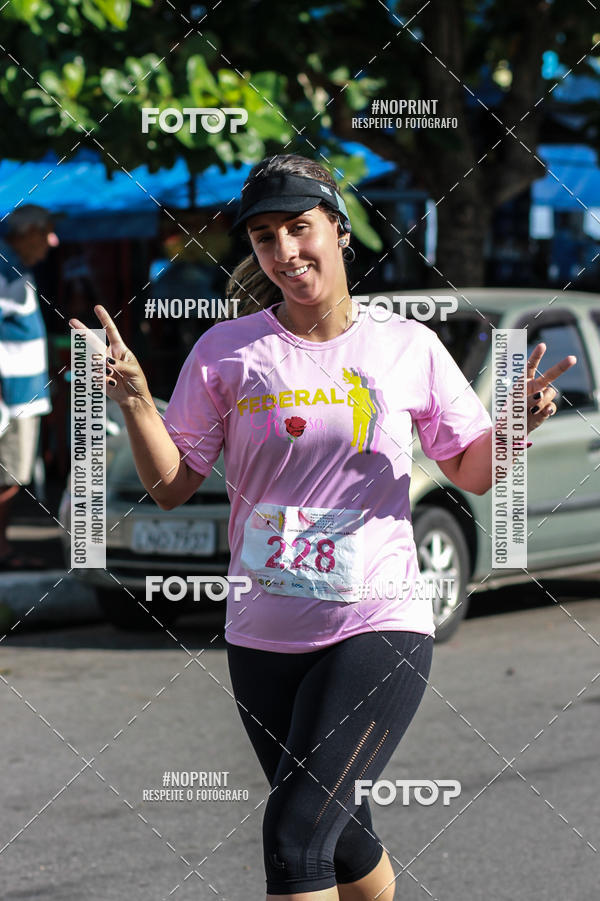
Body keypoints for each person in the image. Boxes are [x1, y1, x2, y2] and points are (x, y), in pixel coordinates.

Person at [70, 153, 576, 900]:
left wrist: (513, 429)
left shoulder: (406, 346)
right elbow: (172, 486)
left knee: (296, 832)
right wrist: (138, 401)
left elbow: (469, 471)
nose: (284, 252)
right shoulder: (226, 352)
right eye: (266, 237)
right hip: (262, 630)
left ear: (339, 231)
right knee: (343, 838)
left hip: (378, 619)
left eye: (299, 229)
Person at [0, 204, 58, 569]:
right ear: (23, 233)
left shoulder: (15, 266)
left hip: (21, 393)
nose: (53, 240)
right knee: (8, 475)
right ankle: (2, 551)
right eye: (45, 230)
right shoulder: (5, 267)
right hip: (12, 396)